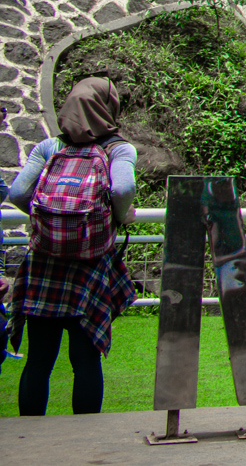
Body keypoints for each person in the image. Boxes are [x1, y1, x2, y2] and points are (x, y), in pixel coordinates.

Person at [6, 78, 136, 416]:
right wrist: (120, 217)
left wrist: (47, 219)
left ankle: (30, 436)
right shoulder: (118, 149)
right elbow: (123, 189)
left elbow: (19, 193)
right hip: (90, 268)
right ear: (107, 107)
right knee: (85, 359)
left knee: (38, 360)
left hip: (44, 265)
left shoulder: (50, 147)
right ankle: (85, 437)